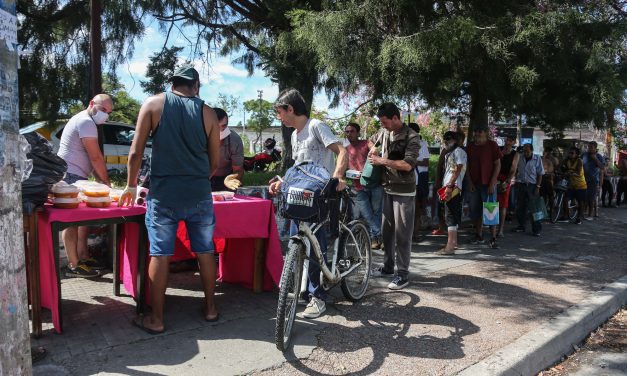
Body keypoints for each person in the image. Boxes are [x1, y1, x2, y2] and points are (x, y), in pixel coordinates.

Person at [119, 65, 221, 334]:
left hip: (163, 195)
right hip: (199, 194)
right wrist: (200, 178)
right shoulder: (208, 112)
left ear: (172, 83)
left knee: (160, 254)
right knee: (205, 250)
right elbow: (215, 160)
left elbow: (135, 152)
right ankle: (211, 309)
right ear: (196, 86)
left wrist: (130, 186)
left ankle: (157, 319)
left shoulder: (153, 104)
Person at [269, 88, 347, 319]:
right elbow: (299, 168)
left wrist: (338, 177)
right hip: (300, 195)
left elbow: (341, 150)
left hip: (320, 195)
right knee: (298, 242)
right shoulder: (294, 135)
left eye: (279, 112)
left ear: (290, 109)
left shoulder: (315, 126)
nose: (279, 117)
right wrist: (283, 181)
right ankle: (301, 289)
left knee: (316, 247)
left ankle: (318, 297)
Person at [57, 94, 113, 278]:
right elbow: (95, 157)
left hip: (76, 175)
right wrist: (106, 183)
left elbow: (92, 159)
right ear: (92, 104)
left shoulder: (83, 120)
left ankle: (83, 256)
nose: (105, 115)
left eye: (109, 113)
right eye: (103, 109)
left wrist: (100, 180)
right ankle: (74, 266)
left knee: (81, 220)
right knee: (71, 222)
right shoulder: (86, 122)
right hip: (70, 176)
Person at [369, 103, 421, 290]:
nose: (382, 125)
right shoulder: (384, 132)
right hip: (387, 188)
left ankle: (403, 274)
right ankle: (388, 268)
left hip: (404, 191)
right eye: (381, 122)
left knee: (403, 235)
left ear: (395, 118)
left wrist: (381, 160)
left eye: (384, 122)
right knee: (387, 233)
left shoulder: (412, 137)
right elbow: (370, 141)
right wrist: (373, 149)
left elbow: (408, 165)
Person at [344, 122, 383, 249]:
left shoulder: (366, 143)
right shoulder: (345, 150)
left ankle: (374, 241)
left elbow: (375, 150)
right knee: (367, 215)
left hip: (375, 184)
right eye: (347, 132)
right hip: (358, 187)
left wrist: (374, 151)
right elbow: (343, 170)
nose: (349, 134)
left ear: (358, 132)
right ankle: (380, 234)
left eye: (352, 131)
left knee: (376, 212)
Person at [465, 124, 502, 248]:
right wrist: (469, 183)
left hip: (488, 184)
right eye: (476, 133)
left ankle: (493, 238)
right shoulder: (470, 146)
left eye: (480, 132)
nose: (477, 135)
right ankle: (479, 235)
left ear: (486, 133)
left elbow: (497, 164)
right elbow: (467, 166)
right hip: (474, 184)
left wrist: (492, 182)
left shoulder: (492, 145)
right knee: (476, 211)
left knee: (491, 210)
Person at [436, 131, 467, 255]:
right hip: (450, 185)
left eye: (448, 139)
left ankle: (449, 246)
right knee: (451, 214)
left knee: (450, 215)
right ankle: (453, 243)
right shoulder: (449, 153)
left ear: (455, 140)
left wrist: (449, 185)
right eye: (445, 139)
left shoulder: (459, 151)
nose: (446, 142)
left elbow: (458, 169)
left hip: (453, 186)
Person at [512, 143, 544, 236]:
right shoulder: (520, 157)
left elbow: (540, 174)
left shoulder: (537, 158)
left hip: (532, 185)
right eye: (524, 150)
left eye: (527, 150)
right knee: (520, 207)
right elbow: (515, 168)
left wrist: (538, 186)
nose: (525, 152)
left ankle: (537, 229)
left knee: (535, 209)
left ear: (531, 150)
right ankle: (521, 226)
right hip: (521, 184)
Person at [210, 107, 244, 192]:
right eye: (216, 126)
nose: (221, 130)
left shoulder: (234, 140)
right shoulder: (198, 138)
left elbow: (239, 170)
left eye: (224, 126)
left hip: (227, 178)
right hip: (204, 179)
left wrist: (231, 178)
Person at [408, 123, 430, 242]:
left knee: (416, 208)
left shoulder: (422, 144)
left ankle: (415, 234)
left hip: (417, 181)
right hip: (406, 180)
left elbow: (426, 163)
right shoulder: (404, 144)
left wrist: (413, 162)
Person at [496, 135, 519, 237]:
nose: (508, 142)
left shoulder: (515, 154)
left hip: (505, 179)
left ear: (514, 142)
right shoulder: (499, 150)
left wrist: (507, 181)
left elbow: (513, 169)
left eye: (510, 140)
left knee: (503, 205)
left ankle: (500, 229)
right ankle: (491, 226)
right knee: (492, 203)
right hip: (494, 178)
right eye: (507, 140)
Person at [560, 146, 587, 224]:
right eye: (569, 153)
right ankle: (565, 216)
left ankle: (579, 218)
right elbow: (559, 166)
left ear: (576, 154)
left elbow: (578, 172)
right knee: (565, 199)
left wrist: (569, 172)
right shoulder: (566, 160)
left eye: (572, 153)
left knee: (580, 202)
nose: (570, 154)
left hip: (580, 185)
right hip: (571, 185)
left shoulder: (579, 161)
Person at [582, 141, 605, 218]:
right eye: (589, 147)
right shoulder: (584, 155)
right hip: (583, 179)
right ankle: (584, 211)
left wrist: (595, 159)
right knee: (584, 196)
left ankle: (590, 214)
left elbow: (602, 167)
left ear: (595, 148)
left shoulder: (599, 156)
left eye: (591, 147)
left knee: (591, 198)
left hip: (593, 180)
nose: (589, 149)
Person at [541, 147, 557, 220]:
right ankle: (544, 213)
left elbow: (551, 169)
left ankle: (551, 212)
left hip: (549, 180)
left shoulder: (553, 160)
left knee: (550, 196)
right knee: (543, 197)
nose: (547, 154)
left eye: (548, 152)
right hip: (543, 180)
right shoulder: (542, 159)